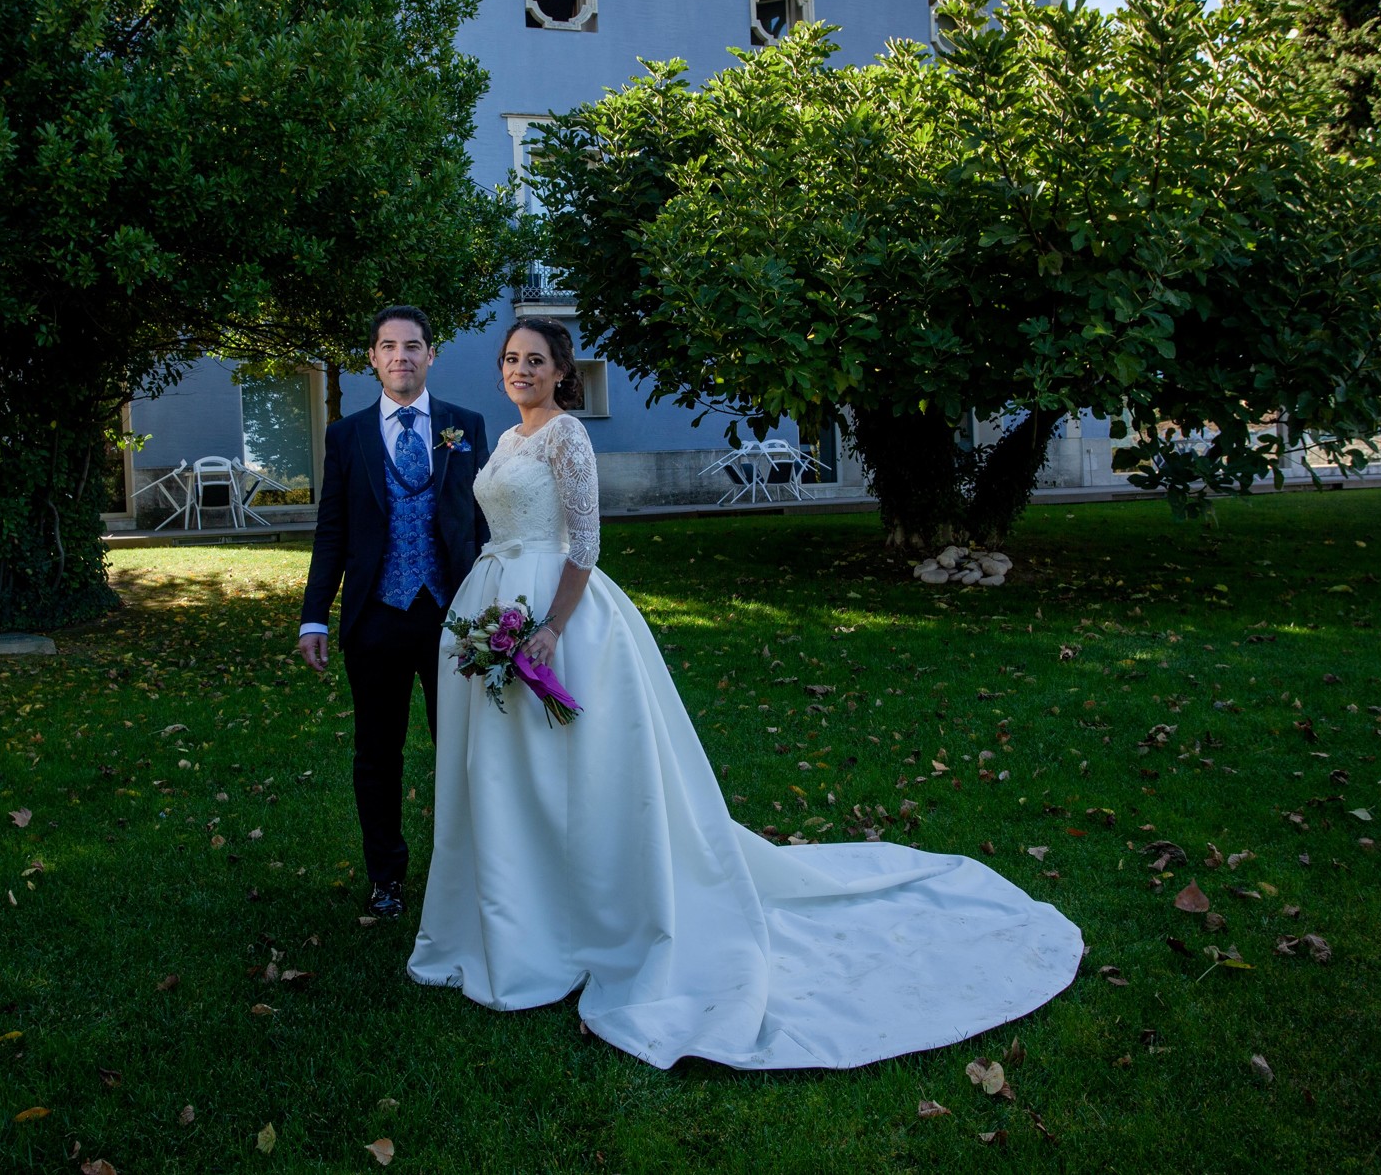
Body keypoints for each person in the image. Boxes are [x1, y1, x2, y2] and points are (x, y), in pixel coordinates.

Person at [409, 318, 1084, 1069]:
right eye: (510, 359)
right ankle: (515, 910)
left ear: (563, 371)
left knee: (566, 771)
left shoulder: (568, 436)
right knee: (506, 773)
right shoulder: (504, 441)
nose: (520, 369)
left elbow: (588, 544)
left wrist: (550, 629)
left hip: (553, 615)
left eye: (535, 360)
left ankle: (579, 914)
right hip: (492, 601)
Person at [300, 305, 490, 920]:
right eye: (388, 346)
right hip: (376, 617)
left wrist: (495, 607)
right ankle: (386, 878)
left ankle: (466, 874)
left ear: (431, 355)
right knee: (377, 754)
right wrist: (313, 617)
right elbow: (332, 530)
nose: (401, 357)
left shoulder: (465, 426)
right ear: (373, 358)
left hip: (452, 618)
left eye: (413, 346)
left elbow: (483, 522)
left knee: (460, 751)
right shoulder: (347, 435)